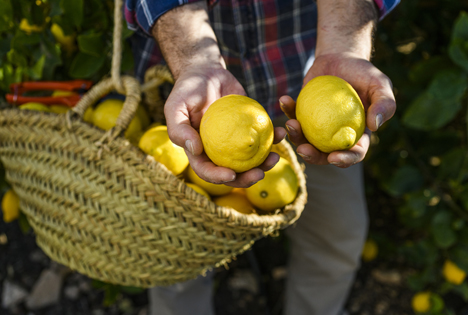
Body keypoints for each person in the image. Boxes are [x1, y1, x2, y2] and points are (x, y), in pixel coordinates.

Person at [125, 0, 399, 314]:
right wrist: (193, 61)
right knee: (174, 253)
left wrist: (345, 44)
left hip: (310, 98)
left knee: (335, 238)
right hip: (195, 106)